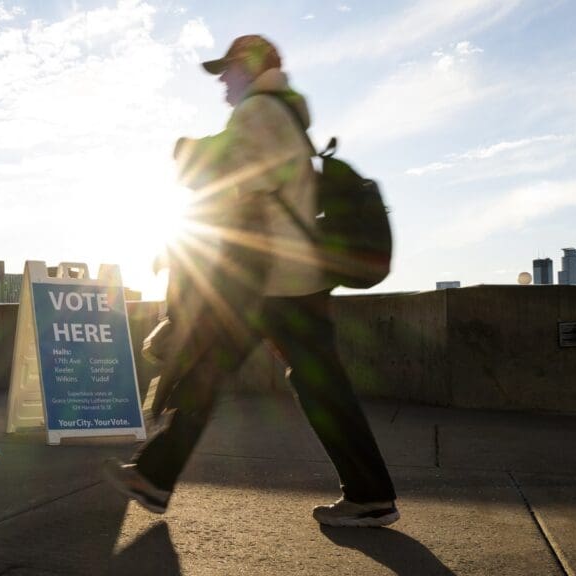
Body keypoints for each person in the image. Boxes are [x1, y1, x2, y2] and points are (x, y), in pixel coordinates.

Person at [102, 35, 399, 528]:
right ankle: (370, 494)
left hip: (270, 281)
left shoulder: (260, 110)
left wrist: (187, 150)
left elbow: (234, 170)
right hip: (298, 278)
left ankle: (154, 478)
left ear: (250, 67)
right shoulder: (283, 112)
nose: (222, 80)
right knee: (321, 388)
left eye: (227, 70)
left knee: (206, 371)